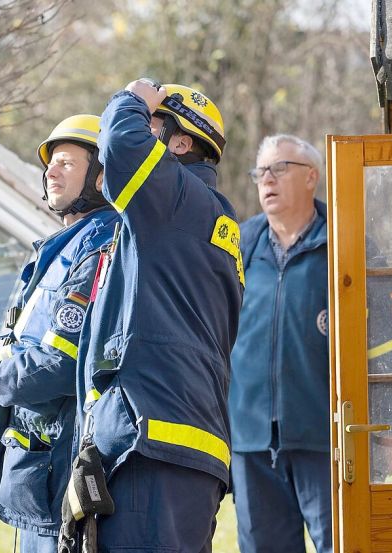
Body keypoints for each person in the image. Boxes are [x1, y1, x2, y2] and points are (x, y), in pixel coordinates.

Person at [73, 79, 244, 551]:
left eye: (154, 127)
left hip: (154, 442)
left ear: (180, 143)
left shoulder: (175, 197)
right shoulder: (195, 215)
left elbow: (121, 143)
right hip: (168, 444)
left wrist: (134, 95)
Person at [0, 114, 120, 553]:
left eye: (66, 161)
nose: (51, 171)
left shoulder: (102, 244)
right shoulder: (58, 247)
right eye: (50, 163)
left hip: (59, 472)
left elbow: (61, 363)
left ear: (101, 177)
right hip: (34, 474)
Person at [230, 134, 331, 553]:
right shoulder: (238, 246)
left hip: (325, 436)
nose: (266, 179)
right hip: (250, 440)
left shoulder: (345, 241)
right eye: (260, 172)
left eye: (278, 169)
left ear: (311, 177)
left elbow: (385, 340)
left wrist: (390, 432)